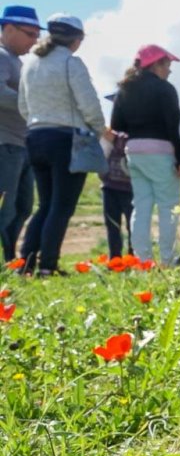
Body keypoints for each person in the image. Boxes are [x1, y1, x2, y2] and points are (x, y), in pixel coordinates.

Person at [17, 14, 110, 276]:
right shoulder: (71, 63)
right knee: (62, 206)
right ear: (77, 40)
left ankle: (25, 262)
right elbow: (89, 104)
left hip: (35, 136)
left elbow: (23, 106)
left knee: (45, 204)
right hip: (67, 139)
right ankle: (48, 265)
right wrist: (100, 130)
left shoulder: (30, 63)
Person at [111, 44, 180, 265]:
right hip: (161, 151)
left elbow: (117, 124)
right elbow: (174, 128)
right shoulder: (165, 89)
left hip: (134, 151)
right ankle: (167, 259)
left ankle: (142, 260)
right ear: (156, 64)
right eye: (167, 65)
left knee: (141, 205)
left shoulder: (125, 89)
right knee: (168, 205)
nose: (170, 70)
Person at [1, 5, 43, 261]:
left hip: (20, 145)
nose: (35, 40)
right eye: (30, 33)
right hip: (5, 144)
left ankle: (9, 259)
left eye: (37, 34)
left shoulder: (15, 60)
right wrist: (31, 102)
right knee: (5, 209)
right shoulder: (2, 56)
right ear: (7, 28)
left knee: (22, 208)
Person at [98, 132, 133, 257]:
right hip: (112, 187)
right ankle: (116, 257)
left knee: (128, 225)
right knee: (115, 225)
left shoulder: (116, 137)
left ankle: (128, 256)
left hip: (121, 187)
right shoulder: (111, 136)